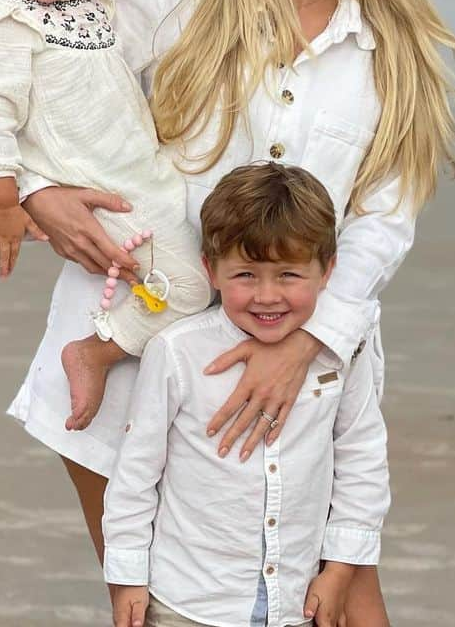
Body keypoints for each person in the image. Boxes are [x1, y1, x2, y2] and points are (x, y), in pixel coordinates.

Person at [18, 0, 455, 623]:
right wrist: (39, 193)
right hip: (126, 344)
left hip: (294, 351)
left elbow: (383, 220)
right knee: (160, 605)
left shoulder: (392, 37)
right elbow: (52, 66)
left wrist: (309, 343)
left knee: (343, 597)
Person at [0, 0, 212, 429]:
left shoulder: (101, 12)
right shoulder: (6, 26)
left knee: (204, 273)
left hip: (144, 176)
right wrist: (3, 204)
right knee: (193, 290)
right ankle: (95, 352)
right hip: (95, 188)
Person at [104, 162, 389, 627]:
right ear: (210, 271)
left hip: (294, 601)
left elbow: (362, 462)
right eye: (245, 276)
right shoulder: (177, 353)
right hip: (189, 601)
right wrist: (127, 576)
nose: (267, 295)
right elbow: (136, 474)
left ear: (328, 271)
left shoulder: (342, 355)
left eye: (289, 276)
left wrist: (338, 571)